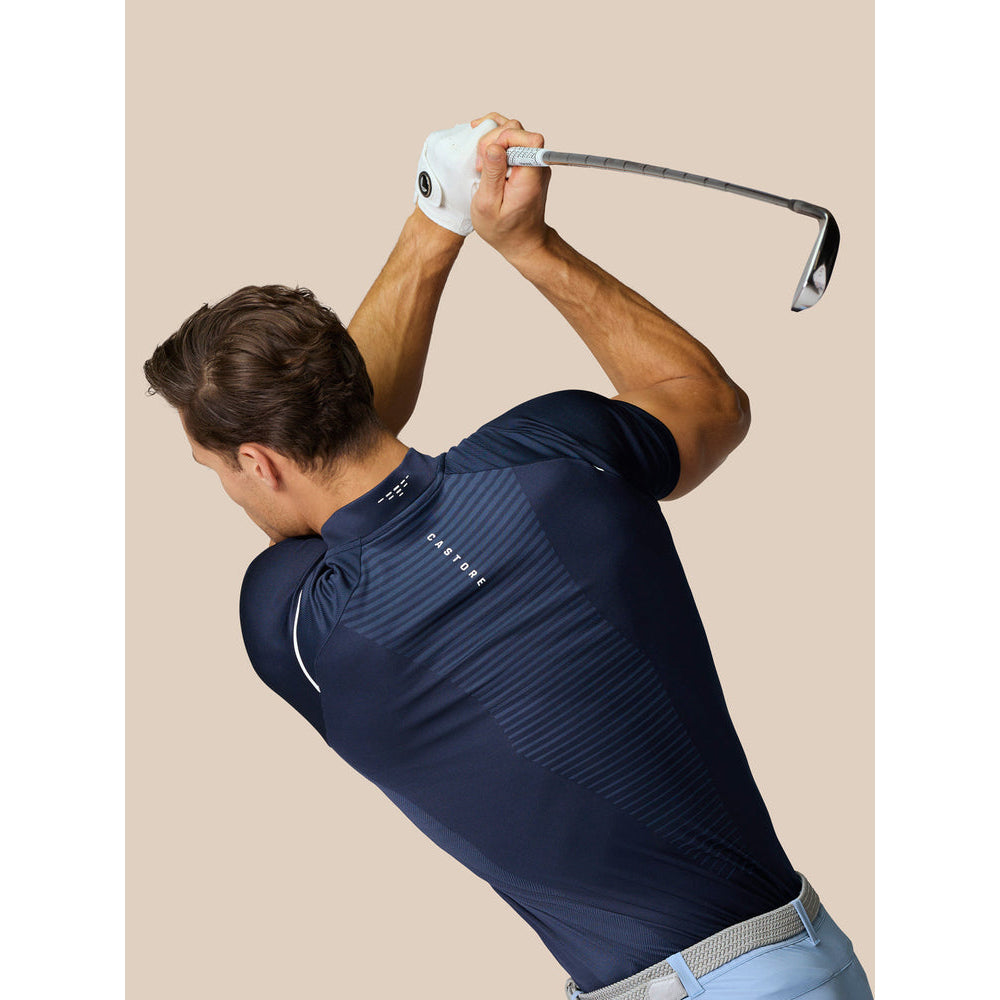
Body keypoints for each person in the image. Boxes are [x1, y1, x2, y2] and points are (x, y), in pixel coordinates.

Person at [143, 113, 874, 1000]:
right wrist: (524, 241)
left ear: (257, 463)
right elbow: (706, 402)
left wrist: (432, 228)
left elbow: (341, 448)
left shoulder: (296, 621)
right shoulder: (561, 452)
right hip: (791, 959)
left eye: (217, 468)